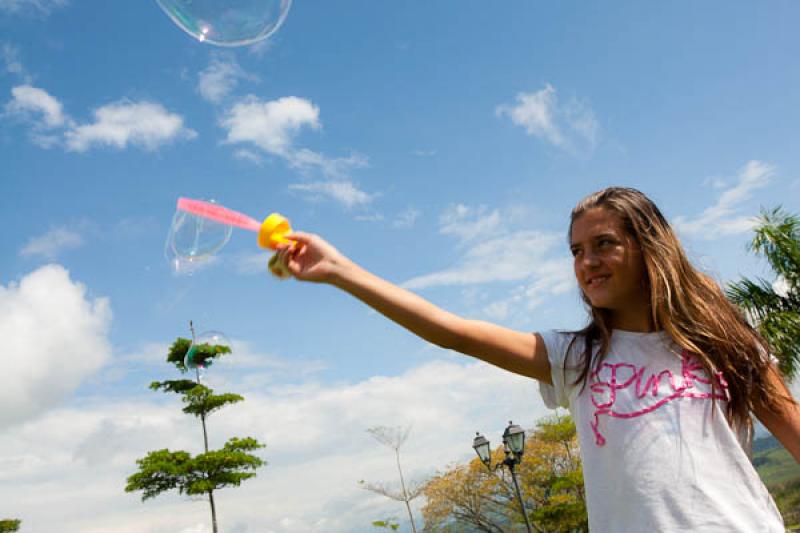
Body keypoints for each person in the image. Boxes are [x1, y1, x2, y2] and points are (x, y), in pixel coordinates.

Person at [274, 187, 800, 531]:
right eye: (575, 251)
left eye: (604, 243)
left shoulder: (723, 339)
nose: (587, 262)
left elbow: (794, 428)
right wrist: (340, 270)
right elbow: (450, 330)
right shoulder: (574, 358)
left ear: (649, 247)